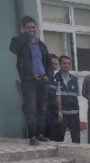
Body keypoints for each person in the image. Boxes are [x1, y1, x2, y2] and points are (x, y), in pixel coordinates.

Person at [10, 15, 53, 145]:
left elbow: (48, 62)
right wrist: (22, 35)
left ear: (36, 28)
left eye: (33, 27)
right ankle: (32, 136)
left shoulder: (41, 44)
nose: (31, 29)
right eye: (28, 27)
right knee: (31, 109)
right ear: (23, 29)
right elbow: (14, 49)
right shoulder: (19, 42)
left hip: (42, 81)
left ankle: (39, 134)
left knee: (41, 109)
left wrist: (48, 75)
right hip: (29, 81)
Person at [54, 55, 81, 143]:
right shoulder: (55, 78)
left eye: (68, 63)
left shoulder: (74, 79)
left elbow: (78, 94)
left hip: (74, 114)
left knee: (76, 138)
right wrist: (59, 111)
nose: (66, 65)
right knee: (59, 137)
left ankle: (77, 156)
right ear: (60, 64)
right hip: (61, 114)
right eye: (64, 63)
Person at [44, 54, 60, 140]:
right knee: (40, 135)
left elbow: (58, 94)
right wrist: (24, 97)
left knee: (51, 136)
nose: (54, 66)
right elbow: (18, 81)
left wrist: (59, 110)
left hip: (52, 110)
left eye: (56, 64)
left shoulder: (56, 77)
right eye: (52, 63)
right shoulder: (40, 73)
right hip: (41, 110)